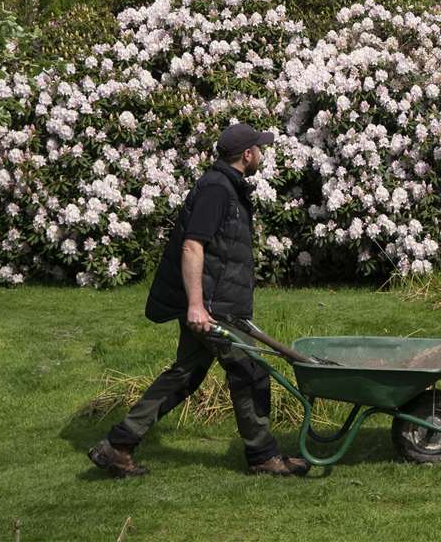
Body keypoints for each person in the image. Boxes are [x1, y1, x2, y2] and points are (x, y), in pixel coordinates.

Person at [87, 122, 309, 478]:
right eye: (259, 149)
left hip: (217, 302)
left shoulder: (227, 187)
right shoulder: (217, 189)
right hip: (214, 307)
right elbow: (193, 245)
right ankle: (263, 457)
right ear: (247, 155)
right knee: (250, 372)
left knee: (186, 374)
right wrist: (196, 305)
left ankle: (118, 445)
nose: (262, 154)